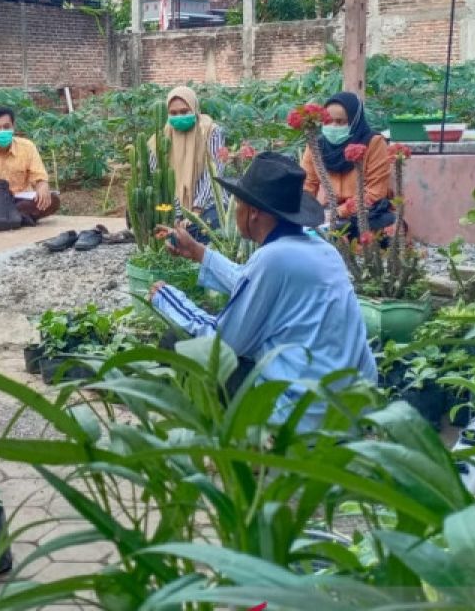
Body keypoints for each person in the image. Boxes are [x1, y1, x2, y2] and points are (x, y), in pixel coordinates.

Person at [149, 152, 376, 431]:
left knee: (180, 340)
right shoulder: (320, 250)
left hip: (301, 415)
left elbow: (225, 343)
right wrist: (199, 253)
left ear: (253, 213)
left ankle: (218, 438)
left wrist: (168, 299)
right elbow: (253, 284)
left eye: (238, 204)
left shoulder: (273, 259)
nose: (235, 211)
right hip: (351, 410)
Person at [300, 92, 395, 240]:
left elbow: (375, 192)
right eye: (328, 121)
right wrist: (307, 212)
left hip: (365, 211)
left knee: (382, 225)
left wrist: (339, 212)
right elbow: (307, 185)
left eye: (340, 122)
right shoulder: (315, 145)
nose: (333, 126)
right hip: (328, 210)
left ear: (354, 121)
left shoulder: (373, 143)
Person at [153, 86, 225, 229]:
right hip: (172, 205)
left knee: (203, 227)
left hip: (208, 204)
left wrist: (196, 210)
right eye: (173, 113)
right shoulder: (161, 136)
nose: (179, 116)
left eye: (184, 111)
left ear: (194, 109)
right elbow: (156, 175)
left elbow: (214, 173)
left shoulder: (211, 131)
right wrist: (177, 213)